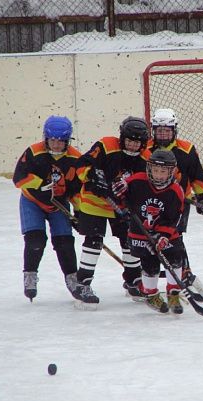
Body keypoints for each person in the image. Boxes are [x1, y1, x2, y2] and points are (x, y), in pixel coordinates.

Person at [72, 116, 149, 307]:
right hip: (94, 203)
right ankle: (83, 283)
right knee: (94, 241)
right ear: (122, 137)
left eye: (136, 142)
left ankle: (133, 281)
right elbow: (81, 165)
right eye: (129, 141)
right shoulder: (106, 145)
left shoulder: (146, 158)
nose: (132, 146)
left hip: (121, 206)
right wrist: (91, 175)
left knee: (130, 240)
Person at [142, 108, 203, 296]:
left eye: (167, 130)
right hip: (151, 202)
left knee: (175, 238)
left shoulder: (187, 149)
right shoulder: (145, 149)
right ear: (153, 130)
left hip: (178, 201)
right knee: (146, 238)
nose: (163, 134)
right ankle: (143, 277)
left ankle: (184, 273)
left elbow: (197, 175)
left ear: (174, 130)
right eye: (159, 130)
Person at [13, 115, 82, 301]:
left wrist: (80, 211)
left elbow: (76, 188)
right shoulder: (33, 152)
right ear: (45, 137)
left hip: (58, 204)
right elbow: (18, 178)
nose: (57, 145)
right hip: (32, 202)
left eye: (62, 141)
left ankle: (73, 280)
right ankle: (30, 276)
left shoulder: (75, 158)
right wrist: (38, 185)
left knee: (65, 242)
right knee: (35, 240)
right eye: (53, 140)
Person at [113, 149, 186, 314]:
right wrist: (121, 188)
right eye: (155, 170)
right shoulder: (137, 180)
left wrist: (163, 236)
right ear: (149, 168)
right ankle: (151, 294)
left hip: (166, 234)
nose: (159, 175)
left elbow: (173, 218)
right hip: (140, 232)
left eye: (163, 171)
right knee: (150, 265)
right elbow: (121, 192)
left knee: (175, 259)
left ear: (171, 171)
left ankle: (173, 293)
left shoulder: (175, 191)